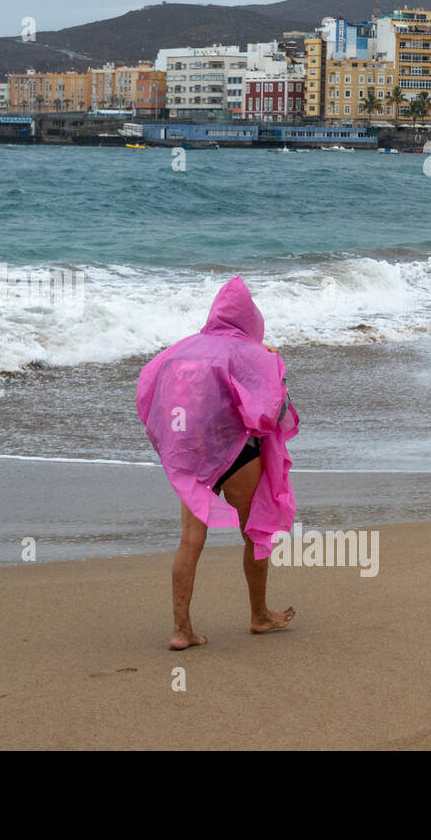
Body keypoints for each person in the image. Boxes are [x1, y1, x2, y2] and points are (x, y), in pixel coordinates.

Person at [136, 276, 300, 650]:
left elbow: (152, 392)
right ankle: (259, 615)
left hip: (195, 456)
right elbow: (274, 410)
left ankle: (182, 631)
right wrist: (275, 366)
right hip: (239, 453)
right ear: (250, 318)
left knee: (190, 541)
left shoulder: (181, 352)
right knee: (254, 533)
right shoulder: (259, 356)